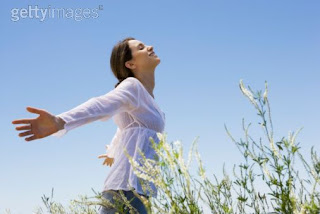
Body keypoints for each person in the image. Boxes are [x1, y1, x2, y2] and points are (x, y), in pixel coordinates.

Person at [11, 37, 166, 214]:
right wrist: (61, 121)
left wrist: (112, 151)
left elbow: (124, 127)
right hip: (126, 188)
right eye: (141, 47)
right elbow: (100, 105)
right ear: (130, 64)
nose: (150, 47)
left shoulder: (149, 100)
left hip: (139, 188)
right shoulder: (132, 86)